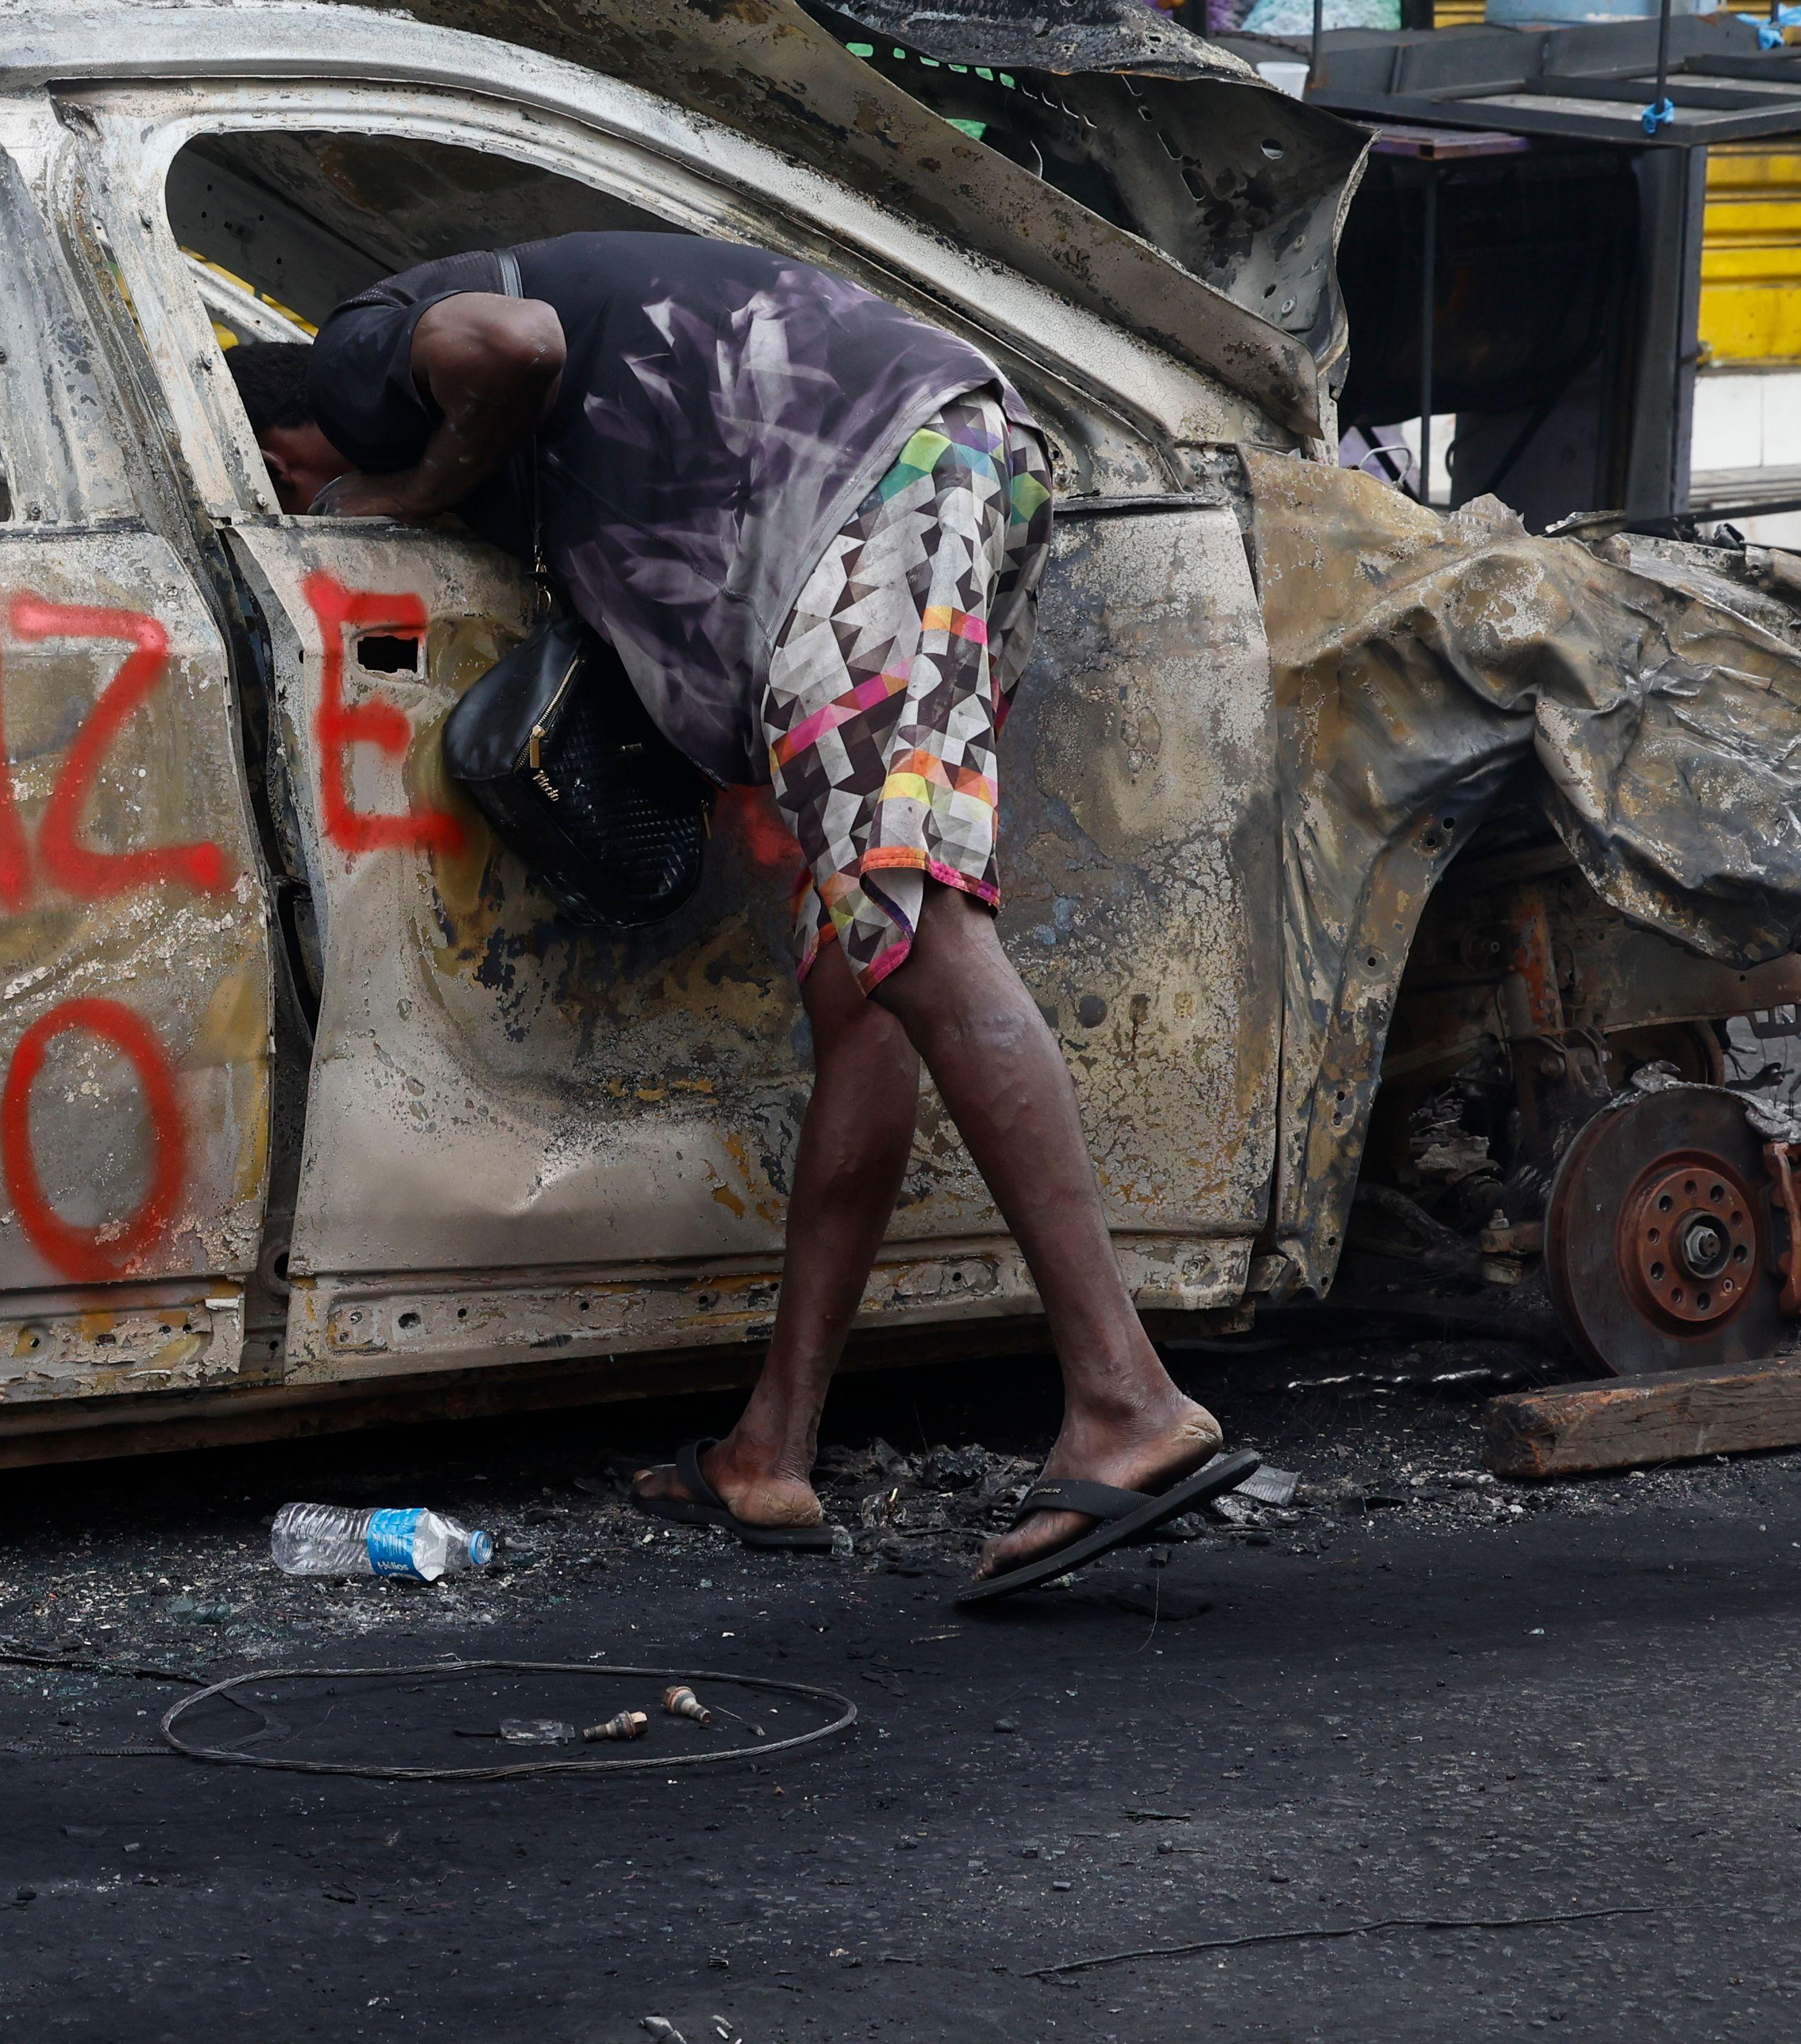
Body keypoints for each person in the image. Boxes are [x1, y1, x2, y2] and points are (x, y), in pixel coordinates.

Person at [224, 229, 1232, 1591]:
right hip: (936, 475)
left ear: (278, 436)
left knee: (919, 931)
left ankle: (1126, 1398)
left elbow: (513, 350)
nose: (307, 503)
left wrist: (397, 483)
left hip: (877, 491)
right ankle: (773, 1447)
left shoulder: (355, 359)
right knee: (865, 986)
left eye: (286, 486)